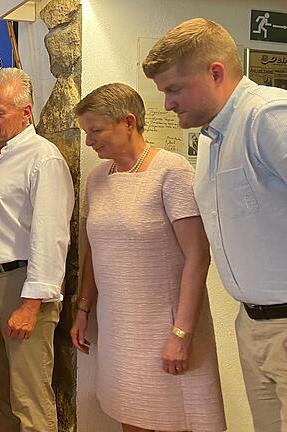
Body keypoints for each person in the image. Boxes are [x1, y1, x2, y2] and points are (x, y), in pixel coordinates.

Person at [144, 18, 287, 432]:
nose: (168, 104)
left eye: (174, 89)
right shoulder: (211, 138)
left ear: (216, 72)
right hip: (254, 323)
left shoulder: (267, 116)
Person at [70, 82, 226, 432]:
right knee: (132, 415)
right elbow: (95, 249)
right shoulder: (97, 179)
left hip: (167, 327)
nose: (88, 141)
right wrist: (83, 310)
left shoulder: (171, 172)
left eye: (95, 131)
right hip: (120, 328)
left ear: (128, 122)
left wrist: (181, 335)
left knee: (175, 419)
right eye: (85, 132)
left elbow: (198, 256)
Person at [0, 67, 74, 431]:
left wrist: (30, 304)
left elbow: (51, 235)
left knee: (29, 396)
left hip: (24, 286)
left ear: (26, 112)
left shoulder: (43, 158)